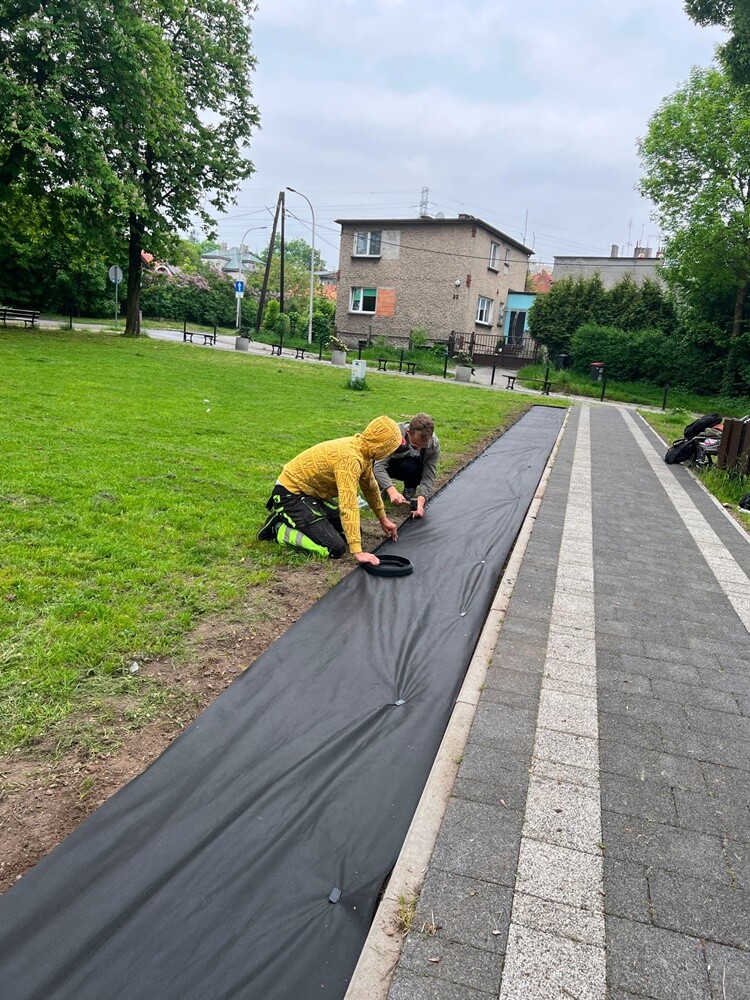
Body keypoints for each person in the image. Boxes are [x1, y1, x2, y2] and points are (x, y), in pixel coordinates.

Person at [256, 415, 402, 566]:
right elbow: (348, 504)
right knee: (335, 548)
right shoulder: (350, 459)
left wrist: (383, 519)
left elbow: (370, 487)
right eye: (390, 449)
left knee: (352, 530)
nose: (390, 453)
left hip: (312, 495)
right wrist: (358, 551)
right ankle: (279, 529)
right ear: (382, 446)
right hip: (290, 494)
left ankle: (300, 518)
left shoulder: (362, 450)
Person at [373, 413, 440, 519]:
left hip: (408, 465)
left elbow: (429, 474)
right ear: (409, 433)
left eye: (423, 446)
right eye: (415, 444)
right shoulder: (393, 434)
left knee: (415, 467)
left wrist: (421, 500)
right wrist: (392, 490)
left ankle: (409, 489)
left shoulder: (434, 444)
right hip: (388, 463)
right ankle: (381, 485)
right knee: (372, 461)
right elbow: (378, 466)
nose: (419, 448)